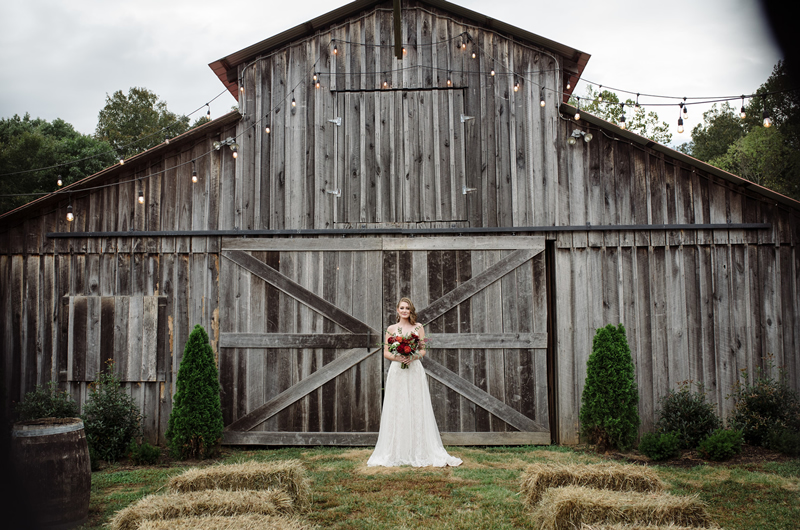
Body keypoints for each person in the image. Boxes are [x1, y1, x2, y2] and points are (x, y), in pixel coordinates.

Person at [367, 297, 462, 467]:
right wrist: (400, 357)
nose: (404, 311)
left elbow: (423, 350)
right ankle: (396, 449)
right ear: (397, 310)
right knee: (398, 406)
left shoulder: (418, 327)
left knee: (416, 405)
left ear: (411, 311)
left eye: (407, 308)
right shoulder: (391, 329)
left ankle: (419, 448)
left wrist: (413, 356)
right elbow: (386, 353)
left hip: (414, 370)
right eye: (402, 308)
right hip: (397, 370)